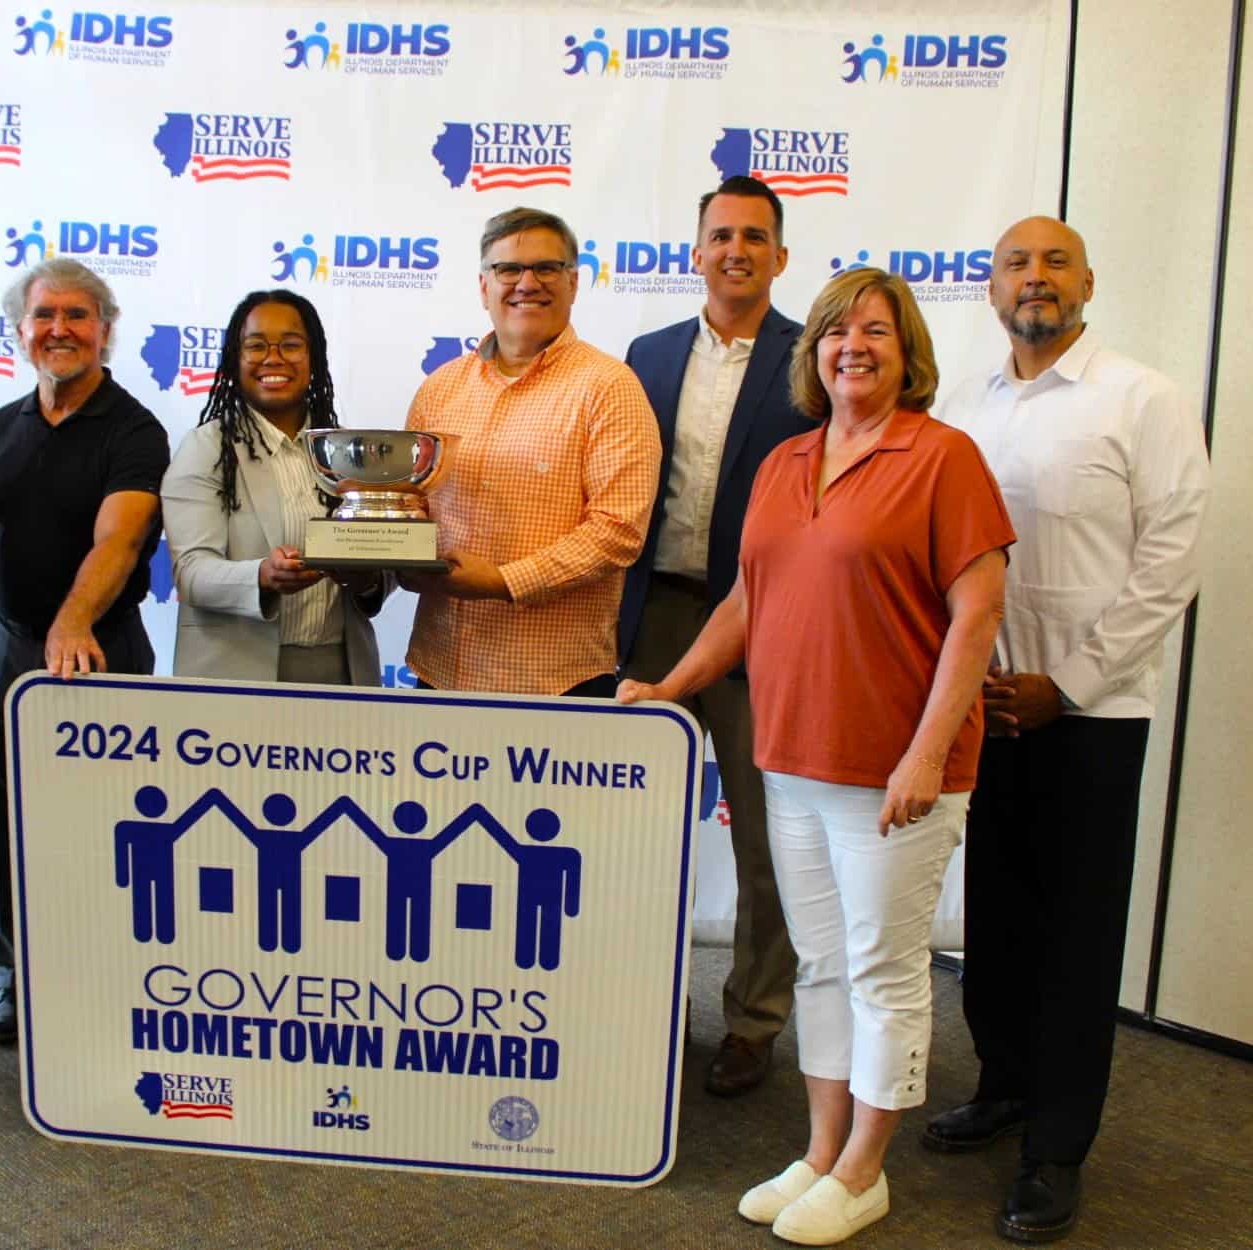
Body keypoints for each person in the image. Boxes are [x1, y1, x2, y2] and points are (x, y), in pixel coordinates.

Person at [619, 268, 1014, 1245]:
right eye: (837, 330)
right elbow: (748, 603)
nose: (853, 346)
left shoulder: (944, 456)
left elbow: (979, 612)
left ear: (905, 349)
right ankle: (821, 1148)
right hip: (790, 756)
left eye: (876, 331)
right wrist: (672, 684)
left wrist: (928, 750)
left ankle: (867, 1167)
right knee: (824, 969)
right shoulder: (788, 461)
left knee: (884, 969)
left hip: (895, 771)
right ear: (815, 351)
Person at [927, 217, 1210, 1244]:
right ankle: (1003, 1083)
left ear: (1088, 279)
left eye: (1054, 262)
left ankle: (1057, 1141)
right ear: (991, 287)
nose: (1034, 278)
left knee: (1076, 931)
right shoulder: (965, 402)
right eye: (1015, 263)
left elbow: (1171, 559)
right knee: (997, 910)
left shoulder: (1143, 398)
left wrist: (1075, 681)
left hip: (1091, 711)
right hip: (985, 703)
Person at [619, 176, 810, 1097]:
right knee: (628, 824)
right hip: (650, 615)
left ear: (781, 255)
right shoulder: (645, 355)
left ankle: (752, 1021)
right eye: (721, 234)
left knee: (763, 837)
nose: (736, 249)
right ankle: (625, 1002)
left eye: (756, 236)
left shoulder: (817, 356)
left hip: (765, 621)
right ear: (695, 251)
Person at [0, 258, 170, 1043]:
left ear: (106, 329)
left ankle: (99, 978)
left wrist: (71, 623)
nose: (61, 329)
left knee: (102, 825)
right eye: (45, 315)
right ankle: (14, 979)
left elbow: (119, 540)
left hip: (99, 652)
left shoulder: (134, 429)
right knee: (4, 821)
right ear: (20, 331)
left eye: (79, 315)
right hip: (5, 651)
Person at [404, 206, 659, 696]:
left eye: (547, 268)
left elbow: (618, 531)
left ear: (574, 283)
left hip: (554, 682)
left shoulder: (609, 387)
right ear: (484, 286)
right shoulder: (439, 390)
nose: (527, 282)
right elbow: (411, 502)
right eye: (508, 269)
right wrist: (386, 552)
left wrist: (504, 581)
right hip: (439, 668)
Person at [160, 290, 385, 684]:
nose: (274, 358)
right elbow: (191, 573)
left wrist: (366, 577)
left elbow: (379, 560)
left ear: (313, 358)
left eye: (291, 345)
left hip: (341, 672)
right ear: (235, 359)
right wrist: (262, 576)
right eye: (256, 345)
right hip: (237, 678)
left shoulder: (347, 451)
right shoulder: (206, 448)